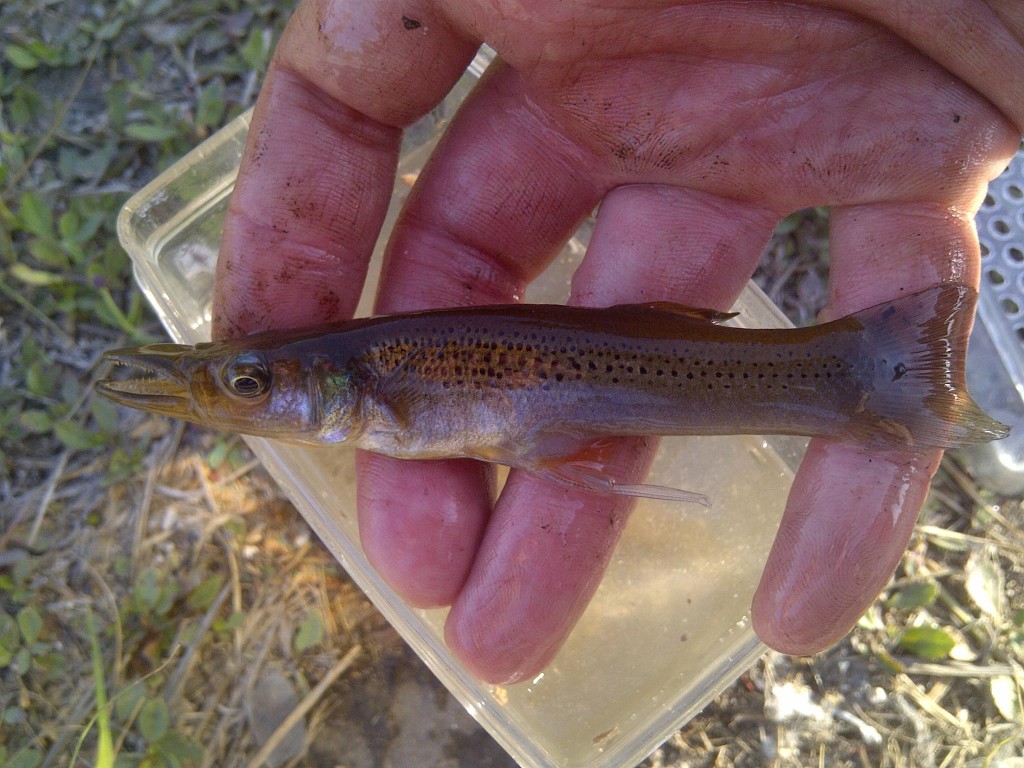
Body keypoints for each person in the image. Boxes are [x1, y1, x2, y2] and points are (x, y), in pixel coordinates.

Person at [211, 0, 1023, 684]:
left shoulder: (376, 375)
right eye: (246, 385)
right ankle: (864, 381)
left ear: (333, 380)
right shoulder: (373, 377)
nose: (245, 396)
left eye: (252, 384)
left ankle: (857, 378)